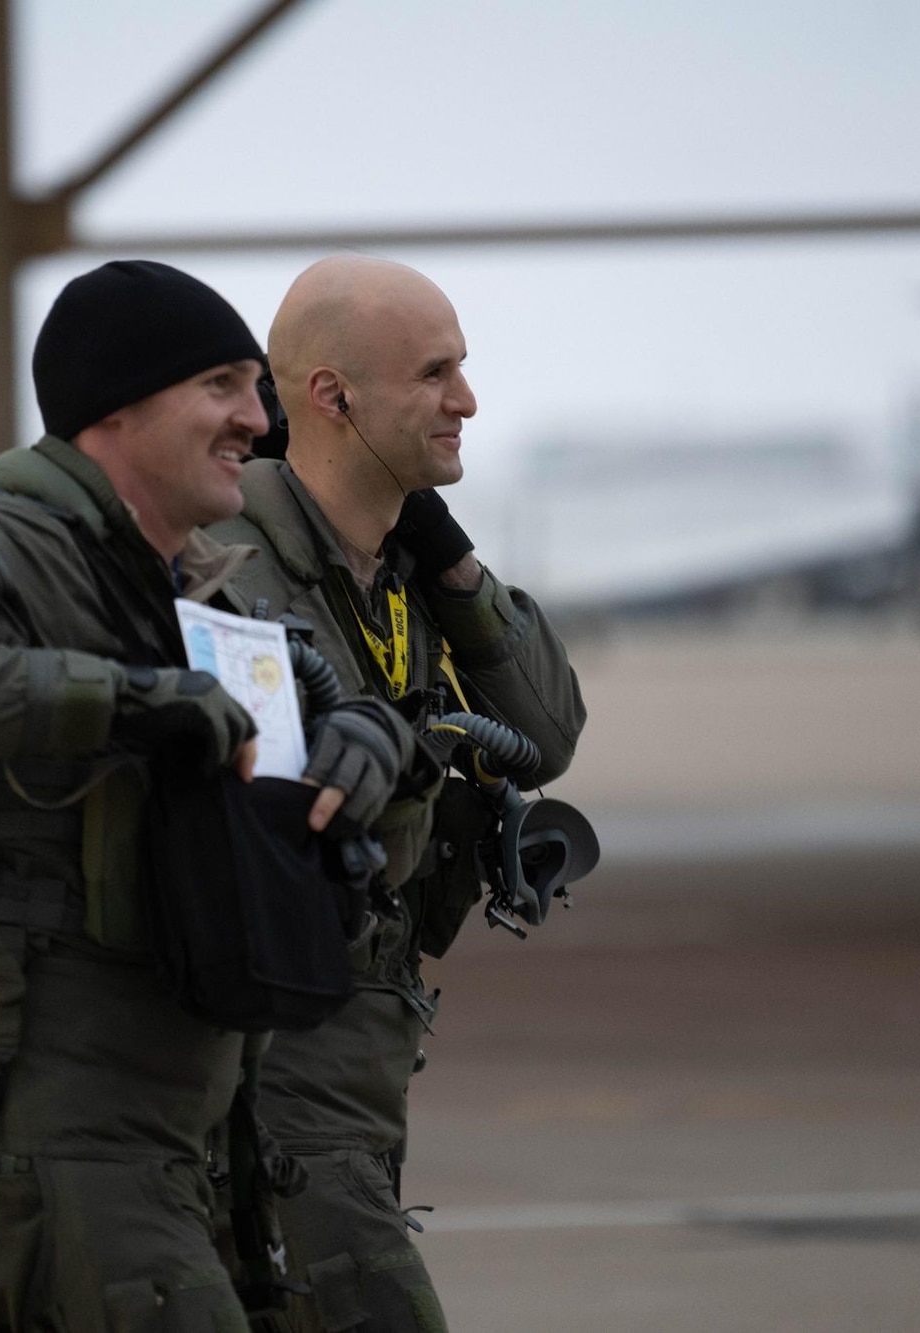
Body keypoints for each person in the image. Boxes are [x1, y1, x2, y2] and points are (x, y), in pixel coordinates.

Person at [0, 259, 414, 1333]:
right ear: (117, 408)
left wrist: (364, 737)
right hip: (53, 1141)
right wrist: (119, 700)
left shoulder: (182, 579)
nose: (254, 418)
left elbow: (245, 780)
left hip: (178, 1133)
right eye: (220, 385)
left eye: (253, 386)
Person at [209, 255, 587, 1331]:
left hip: (365, 1055)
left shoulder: (400, 569)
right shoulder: (229, 570)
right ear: (330, 396)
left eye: (460, 368)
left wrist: (453, 564)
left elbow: (545, 734)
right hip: (274, 1068)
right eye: (433, 373)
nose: (464, 400)